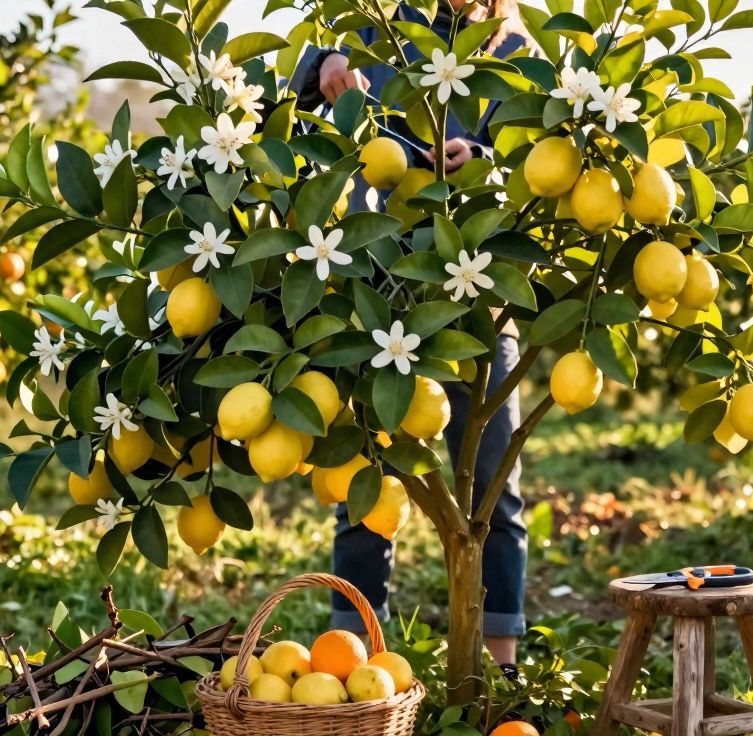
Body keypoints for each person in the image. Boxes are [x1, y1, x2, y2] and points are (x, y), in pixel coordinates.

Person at [289, 0, 531, 667]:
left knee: (493, 488)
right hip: (376, 292)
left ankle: (501, 664)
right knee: (364, 485)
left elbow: (538, 158)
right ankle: (356, 660)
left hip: (477, 296)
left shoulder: (512, 49)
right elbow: (287, 94)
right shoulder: (373, 24)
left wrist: (479, 159)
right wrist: (324, 63)